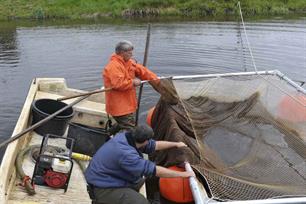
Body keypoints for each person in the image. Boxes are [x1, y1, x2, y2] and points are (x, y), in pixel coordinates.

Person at [85, 125, 195, 204]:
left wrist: (176, 144)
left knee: (140, 181)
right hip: (102, 188)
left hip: (107, 177)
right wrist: (183, 174)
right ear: (145, 140)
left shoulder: (126, 137)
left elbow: (155, 145)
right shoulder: (127, 155)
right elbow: (155, 171)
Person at [102, 40, 159, 134]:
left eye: (131, 51)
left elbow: (143, 71)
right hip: (119, 106)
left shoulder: (129, 62)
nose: (131, 54)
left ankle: (106, 134)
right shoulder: (113, 66)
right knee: (130, 129)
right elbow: (118, 84)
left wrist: (156, 80)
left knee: (123, 124)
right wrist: (133, 82)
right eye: (129, 51)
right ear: (121, 53)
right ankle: (127, 146)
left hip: (128, 103)